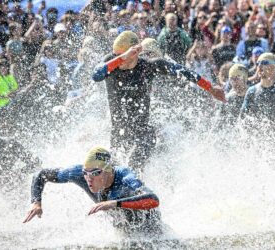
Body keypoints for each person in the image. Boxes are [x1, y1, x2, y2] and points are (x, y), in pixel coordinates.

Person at [92, 31, 225, 172]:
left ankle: (139, 180)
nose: (119, 61)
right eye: (117, 56)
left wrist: (211, 88)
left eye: (122, 57)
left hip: (142, 129)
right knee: (116, 168)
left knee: (138, 159)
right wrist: (122, 57)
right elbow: (96, 75)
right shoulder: (111, 63)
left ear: (136, 53)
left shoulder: (148, 66)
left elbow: (185, 72)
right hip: (119, 130)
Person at [23, 147, 162, 235]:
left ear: (108, 171)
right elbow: (41, 174)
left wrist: (114, 203)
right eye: (85, 172)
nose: (88, 178)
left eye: (95, 173)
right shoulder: (79, 173)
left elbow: (153, 200)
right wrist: (36, 202)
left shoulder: (125, 176)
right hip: (122, 227)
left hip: (149, 226)